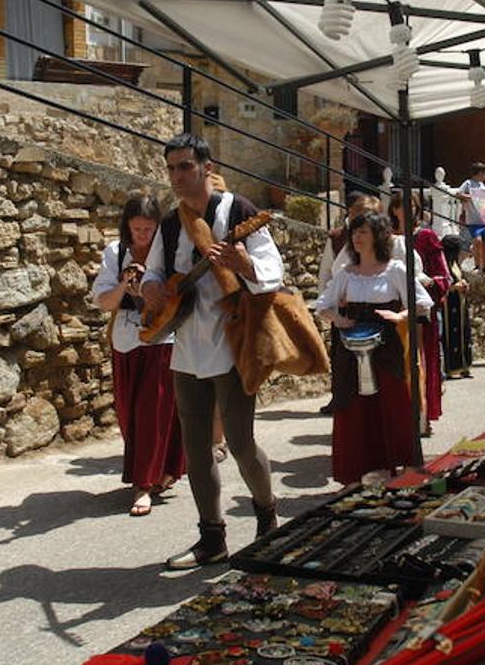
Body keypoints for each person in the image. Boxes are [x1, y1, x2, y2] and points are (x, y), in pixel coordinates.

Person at [141, 133, 283, 570]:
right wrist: (151, 291)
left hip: (232, 341)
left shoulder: (237, 212)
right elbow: (153, 275)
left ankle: (267, 517)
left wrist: (244, 265)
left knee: (240, 441)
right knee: (195, 447)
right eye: (171, 169)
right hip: (187, 345)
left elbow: (272, 271)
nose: (177, 176)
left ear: (206, 166)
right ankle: (211, 537)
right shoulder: (169, 223)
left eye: (185, 166)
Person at [314, 212, 432, 483]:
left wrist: (400, 316)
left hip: (386, 347)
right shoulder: (346, 274)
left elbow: (423, 303)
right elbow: (322, 305)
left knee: (393, 405)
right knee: (353, 407)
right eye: (354, 232)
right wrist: (339, 319)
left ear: (378, 236)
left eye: (363, 232)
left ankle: (407, 471)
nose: (356, 238)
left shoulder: (395, 270)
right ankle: (355, 474)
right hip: (350, 350)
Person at [91, 193, 183, 517]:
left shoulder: (167, 256)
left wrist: (149, 284)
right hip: (126, 341)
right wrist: (125, 284)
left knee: (153, 411)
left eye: (148, 229)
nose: (142, 236)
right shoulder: (115, 254)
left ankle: (142, 485)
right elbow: (103, 301)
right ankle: (162, 470)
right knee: (129, 413)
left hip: (160, 341)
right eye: (137, 230)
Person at [389, 193, 448, 435]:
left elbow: (444, 275)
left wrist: (427, 283)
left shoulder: (426, 237)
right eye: (399, 205)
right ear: (393, 210)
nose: (404, 209)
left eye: (409, 205)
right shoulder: (385, 238)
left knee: (418, 362)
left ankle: (421, 418)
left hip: (420, 309)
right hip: (391, 308)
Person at [316, 192, 378, 414]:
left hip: (373, 308)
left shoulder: (381, 240)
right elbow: (326, 272)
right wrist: (329, 304)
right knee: (342, 359)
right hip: (342, 308)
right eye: (359, 215)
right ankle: (340, 397)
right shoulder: (337, 237)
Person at [440, 234, 473, 378]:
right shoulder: (443, 264)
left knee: (463, 334)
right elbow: (443, 284)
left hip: (460, 304)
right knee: (451, 335)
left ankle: (464, 365)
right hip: (450, 305)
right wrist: (455, 287)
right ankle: (451, 367)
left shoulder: (454, 264)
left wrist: (464, 285)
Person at [455, 162, 485, 274]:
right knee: (477, 241)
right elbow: (458, 194)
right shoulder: (468, 183)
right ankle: (477, 265)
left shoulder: (483, 187)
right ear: (479, 173)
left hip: (484, 219)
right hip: (473, 220)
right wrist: (471, 197)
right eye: (483, 173)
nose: (484, 176)